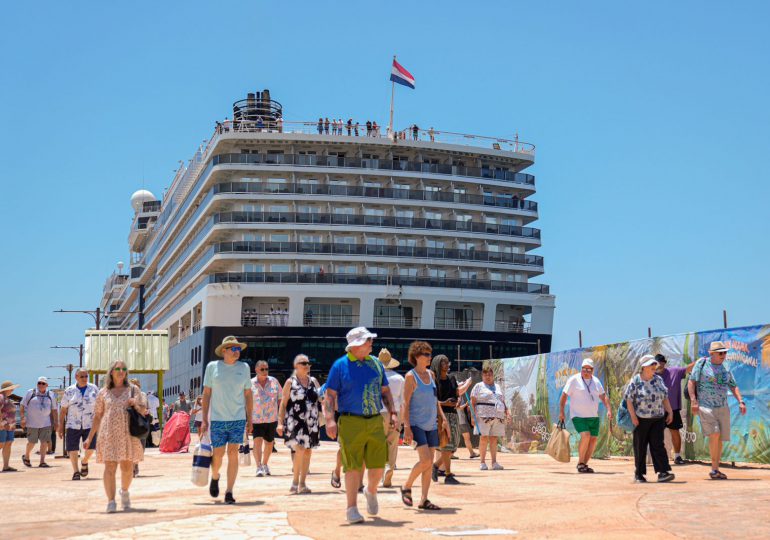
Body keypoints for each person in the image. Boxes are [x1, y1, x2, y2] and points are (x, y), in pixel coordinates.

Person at [323, 327, 398, 524]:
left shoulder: (376, 364)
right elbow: (330, 395)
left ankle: (371, 490)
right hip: (350, 421)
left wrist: (393, 412)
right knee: (352, 466)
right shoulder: (340, 366)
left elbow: (385, 391)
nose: (371, 343)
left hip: (375, 419)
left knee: (378, 465)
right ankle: (352, 508)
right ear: (355, 345)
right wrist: (330, 420)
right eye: (367, 341)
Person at [85, 360, 148, 512]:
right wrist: (89, 437)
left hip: (127, 434)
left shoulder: (133, 390)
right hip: (108, 434)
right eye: (117, 369)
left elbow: (144, 410)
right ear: (111, 372)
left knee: (127, 467)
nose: (121, 371)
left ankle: (124, 491)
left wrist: (136, 404)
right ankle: (111, 501)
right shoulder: (103, 392)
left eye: (124, 369)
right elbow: (98, 416)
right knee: (110, 466)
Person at [200, 336, 253, 504]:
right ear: (224, 351)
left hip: (237, 418)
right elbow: (207, 394)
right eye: (233, 349)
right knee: (218, 454)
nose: (237, 352)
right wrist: (204, 419)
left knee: (233, 453)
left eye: (238, 349)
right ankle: (215, 476)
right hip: (217, 419)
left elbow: (248, 394)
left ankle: (229, 491)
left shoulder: (244, 368)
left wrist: (250, 419)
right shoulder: (212, 367)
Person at [400, 341, 449, 511]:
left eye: (430, 354)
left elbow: (435, 400)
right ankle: (406, 486)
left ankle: (424, 499)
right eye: (426, 354)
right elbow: (405, 403)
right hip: (416, 424)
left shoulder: (432, 375)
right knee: (426, 460)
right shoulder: (410, 376)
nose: (430, 357)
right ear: (416, 357)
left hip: (432, 424)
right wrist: (406, 426)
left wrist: (443, 419)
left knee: (428, 464)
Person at [688, 341, 747, 480]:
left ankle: (715, 469)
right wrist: (693, 401)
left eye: (725, 352)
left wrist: (741, 401)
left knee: (720, 438)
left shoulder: (726, 367)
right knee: (714, 434)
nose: (723, 355)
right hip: (706, 406)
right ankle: (714, 469)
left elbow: (733, 385)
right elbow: (692, 382)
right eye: (720, 353)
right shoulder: (702, 364)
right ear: (712, 353)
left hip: (723, 407)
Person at [624, 355, 675, 483]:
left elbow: (664, 397)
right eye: (651, 365)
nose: (654, 367)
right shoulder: (635, 380)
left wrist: (670, 411)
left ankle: (663, 472)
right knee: (640, 446)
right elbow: (629, 400)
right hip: (641, 419)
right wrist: (633, 417)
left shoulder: (658, 379)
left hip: (658, 417)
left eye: (654, 364)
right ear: (643, 367)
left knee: (658, 445)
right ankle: (639, 474)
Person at [558, 358, 612, 473]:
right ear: (581, 369)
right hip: (578, 416)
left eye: (588, 369)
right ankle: (581, 463)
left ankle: (583, 464)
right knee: (586, 435)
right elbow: (564, 396)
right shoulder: (574, 380)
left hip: (593, 416)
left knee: (593, 440)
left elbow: (603, 396)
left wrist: (608, 409)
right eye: (584, 369)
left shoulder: (596, 381)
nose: (586, 371)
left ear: (592, 370)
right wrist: (561, 412)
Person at [277, 355, 321, 493]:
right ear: (296, 366)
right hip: (295, 421)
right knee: (300, 450)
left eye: (308, 363)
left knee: (308, 452)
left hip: (311, 421)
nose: (307, 365)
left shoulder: (313, 381)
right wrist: (279, 423)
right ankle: (295, 482)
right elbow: (283, 404)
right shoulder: (290, 382)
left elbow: (322, 399)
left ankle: (302, 483)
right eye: (303, 363)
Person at [431, 354, 473, 484]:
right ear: (438, 364)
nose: (447, 364)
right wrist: (445, 403)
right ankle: (448, 474)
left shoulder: (451, 379)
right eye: (443, 362)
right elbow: (432, 400)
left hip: (453, 414)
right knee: (446, 446)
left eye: (447, 362)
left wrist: (457, 400)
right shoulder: (434, 381)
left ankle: (436, 466)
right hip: (441, 416)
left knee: (453, 446)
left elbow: (456, 393)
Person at [655, 353, 696, 465]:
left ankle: (677, 456)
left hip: (673, 409)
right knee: (654, 434)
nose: (658, 364)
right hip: (656, 411)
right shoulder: (650, 375)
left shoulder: (674, 371)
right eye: (656, 362)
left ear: (664, 363)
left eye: (660, 362)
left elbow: (689, 368)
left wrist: (702, 360)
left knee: (675, 432)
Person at [59, 368, 99, 480]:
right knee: (73, 448)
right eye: (82, 376)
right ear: (76, 377)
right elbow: (63, 410)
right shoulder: (69, 391)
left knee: (91, 448)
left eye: (86, 376)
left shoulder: (94, 389)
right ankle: (76, 471)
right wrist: (60, 426)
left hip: (90, 424)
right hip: (72, 424)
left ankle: (84, 461)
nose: (84, 378)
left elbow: (100, 407)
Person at [470, 364, 510, 471]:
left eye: (490, 374)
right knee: (483, 438)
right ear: (482, 376)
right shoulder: (478, 386)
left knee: (494, 438)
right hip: (483, 416)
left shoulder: (497, 386)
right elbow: (472, 402)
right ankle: (482, 462)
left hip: (498, 416)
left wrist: (507, 411)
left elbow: (502, 400)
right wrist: (472, 417)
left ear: (493, 375)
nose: (488, 376)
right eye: (486, 374)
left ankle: (494, 462)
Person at [378, 348, 405, 487]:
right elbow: (404, 401)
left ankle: (382, 471)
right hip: (395, 413)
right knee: (392, 443)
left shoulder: (375, 377)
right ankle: (389, 468)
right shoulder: (400, 378)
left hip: (378, 413)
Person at [251, 360, 281, 477]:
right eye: (262, 369)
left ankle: (265, 464)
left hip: (271, 418)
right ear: (256, 370)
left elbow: (280, 399)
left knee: (269, 443)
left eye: (266, 369)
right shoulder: (250, 383)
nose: (265, 371)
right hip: (256, 418)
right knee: (257, 441)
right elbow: (246, 401)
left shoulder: (274, 381)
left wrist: (281, 416)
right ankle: (258, 466)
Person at [20, 376, 58, 468]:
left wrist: (56, 422)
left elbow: (54, 409)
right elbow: (22, 405)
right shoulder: (30, 393)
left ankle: (42, 461)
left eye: (43, 383)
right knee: (32, 442)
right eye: (39, 383)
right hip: (32, 423)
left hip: (46, 423)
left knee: (44, 442)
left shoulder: (51, 394)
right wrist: (22, 418)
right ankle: (26, 456)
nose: (41, 385)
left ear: (47, 385)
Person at [128, 379, 149, 477]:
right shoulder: (127, 395)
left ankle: (136, 464)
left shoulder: (143, 395)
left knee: (142, 446)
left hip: (140, 423)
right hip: (131, 423)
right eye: (133, 384)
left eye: (137, 384)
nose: (135, 386)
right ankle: (132, 466)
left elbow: (145, 407)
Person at [0, 380, 20, 472]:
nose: (12, 390)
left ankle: (6, 466)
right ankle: (6, 465)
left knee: (8, 444)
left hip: (9, 426)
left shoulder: (7, 398)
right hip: (3, 425)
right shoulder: (1, 397)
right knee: (1, 444)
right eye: (11, 389)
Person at [456, 393, 478, 458]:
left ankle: (450, 454)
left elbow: (462, 409)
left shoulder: (460, 397)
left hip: (461, 420)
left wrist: (468, 406)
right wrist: (466, 404)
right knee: (466, 438)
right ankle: (472, 453)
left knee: (458, 438)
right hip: (460, 421)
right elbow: (458, 408)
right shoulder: (457, 397)